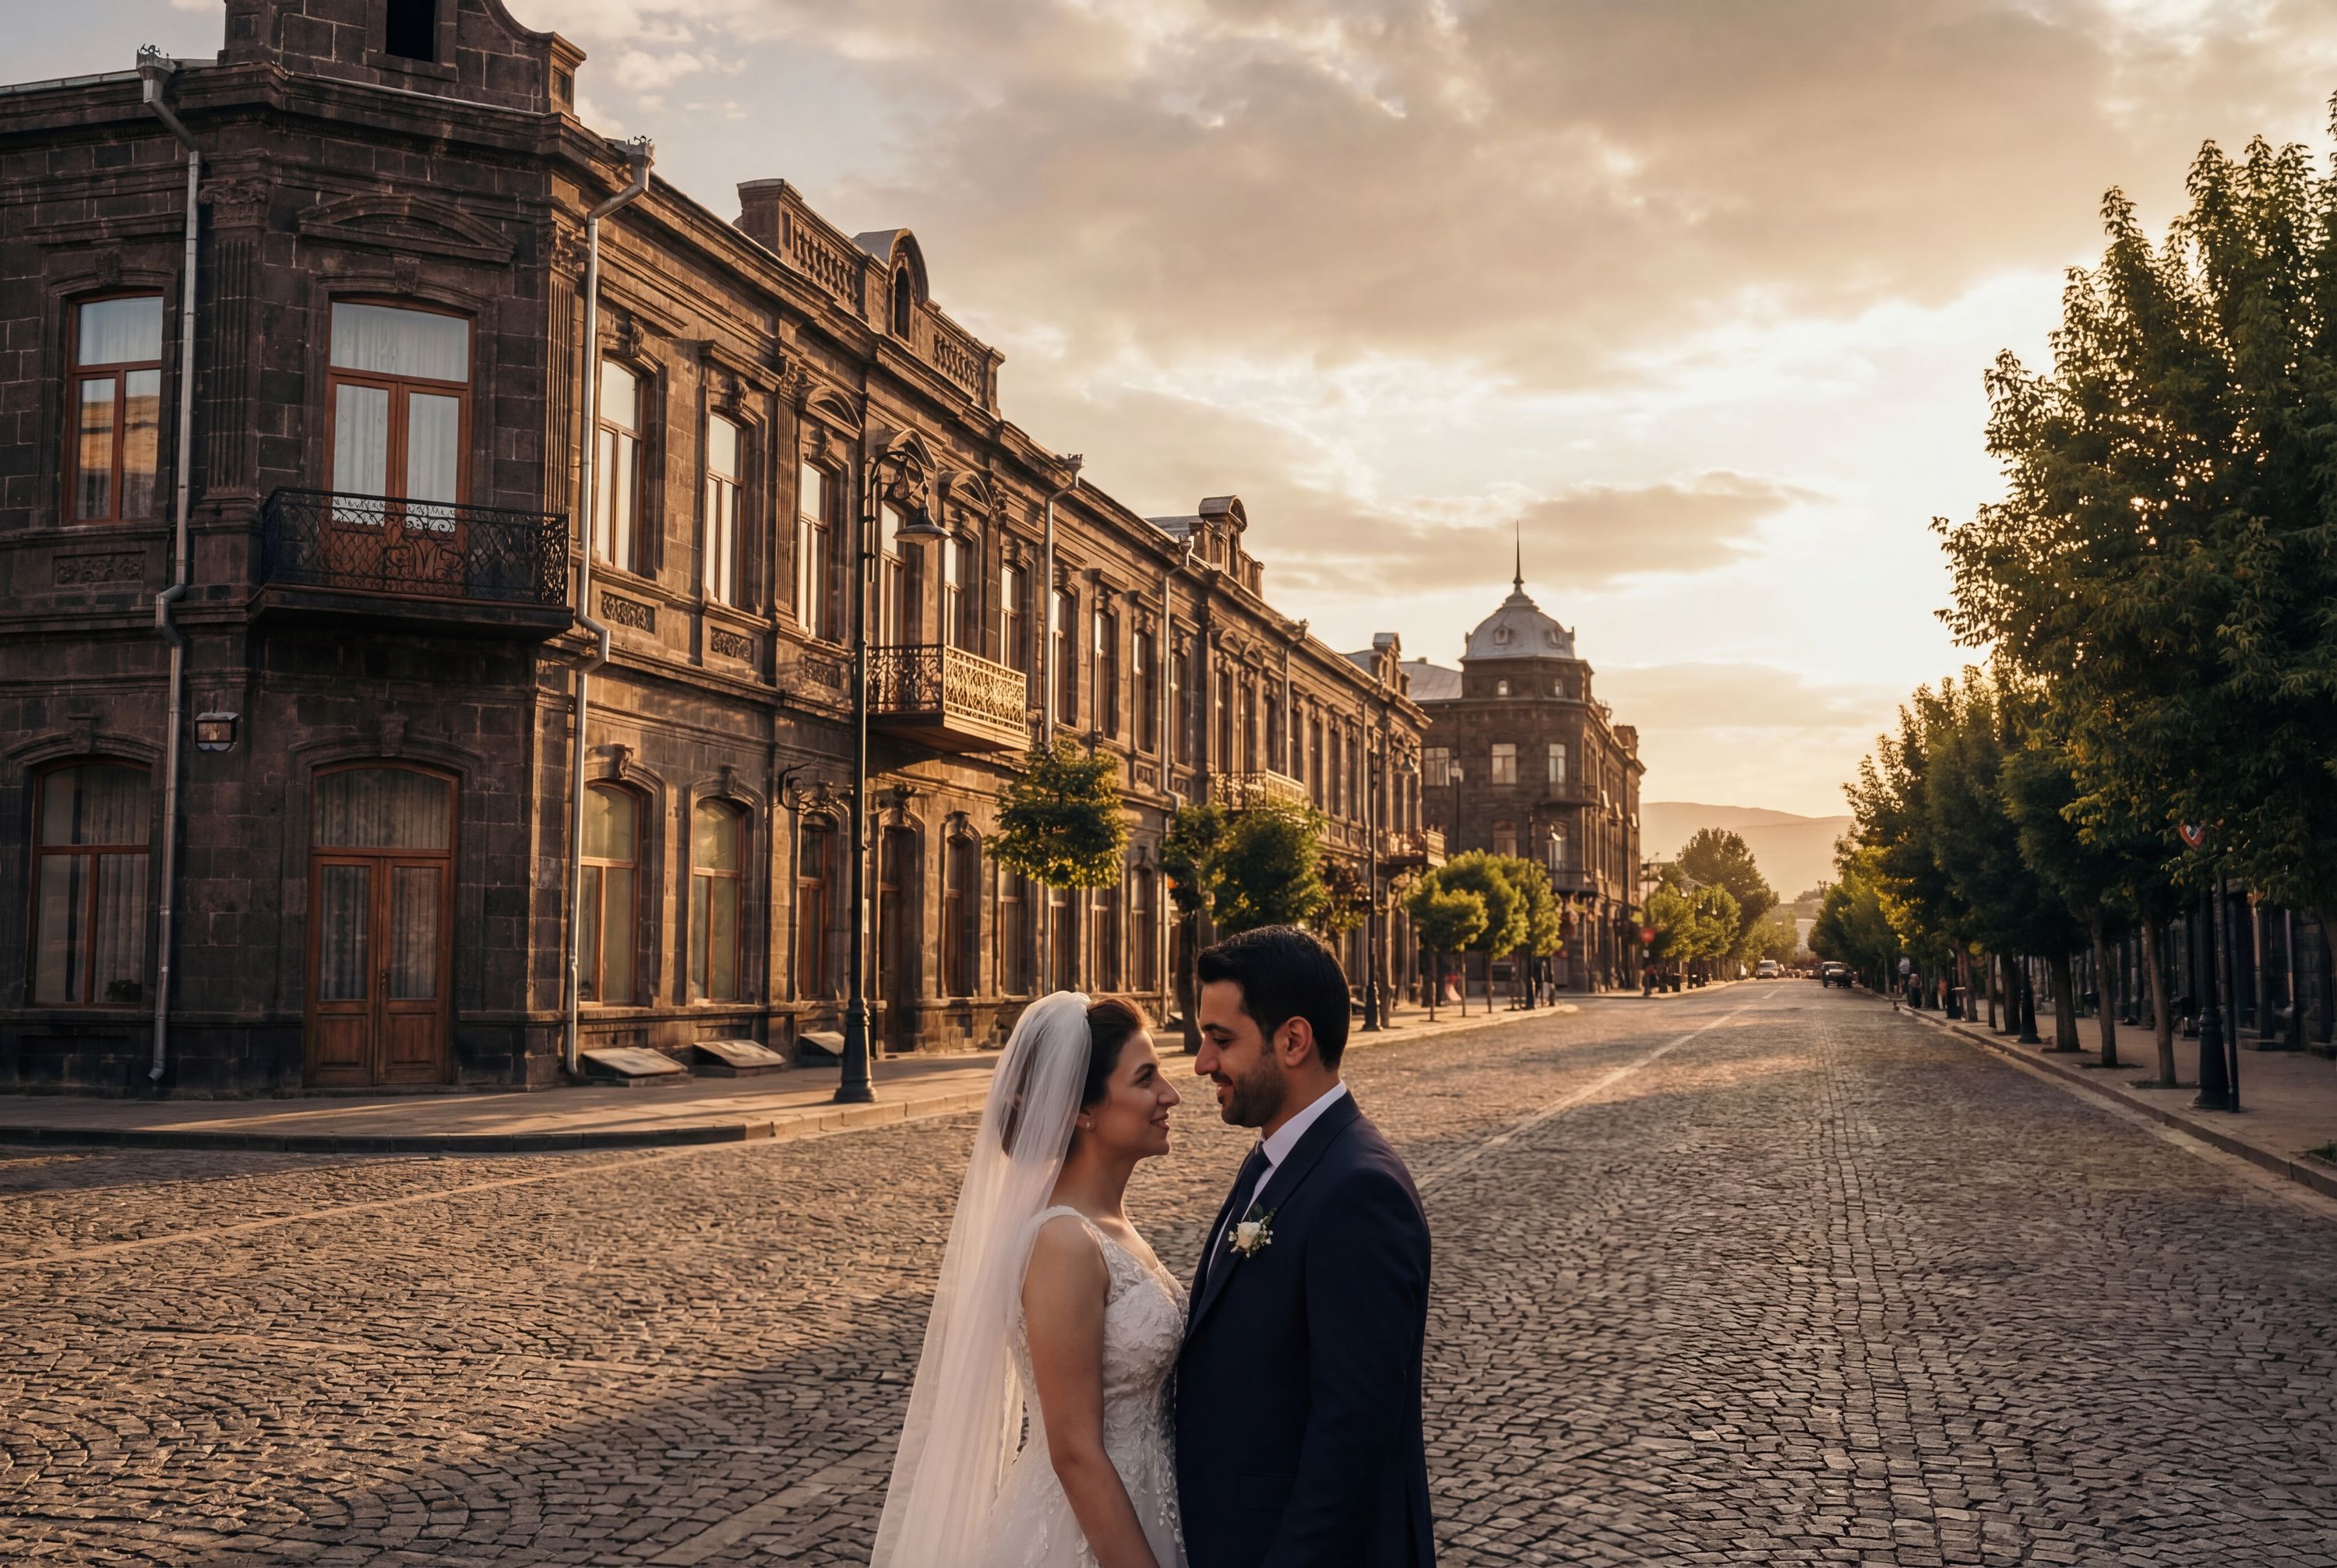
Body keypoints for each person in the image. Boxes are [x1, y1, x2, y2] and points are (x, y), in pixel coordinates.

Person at [871, 992, 1188, 1568]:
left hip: (1150, 1502)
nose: (1170, 1093)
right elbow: (1072, 1449)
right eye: (1146, 1078)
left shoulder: (1112, 1226)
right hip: (1086, 1534)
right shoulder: (1063, 1241)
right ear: (1082, 1110)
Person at [1179, 925, 1436, 1568]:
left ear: (1293, 1040)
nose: (1202, 1062)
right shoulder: (1275, 1156)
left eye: (1221, 1039)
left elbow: (1352, 1437)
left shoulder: (1359, 1191)